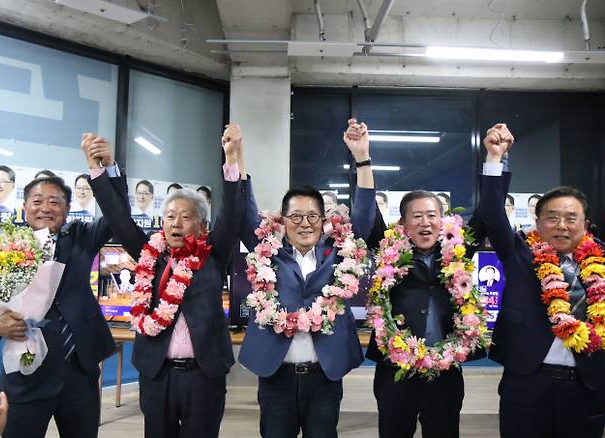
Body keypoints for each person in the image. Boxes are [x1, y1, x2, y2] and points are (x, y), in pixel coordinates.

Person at [85, 124, 245, 438]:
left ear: (201, 225)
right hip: (157, 373)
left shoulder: (214, 254)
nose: (175, 223)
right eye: (170, 216)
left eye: (185, 217)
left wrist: (232, 158)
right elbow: (118, 218)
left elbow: (233, 213)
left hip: (204, 374)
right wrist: (97, 171)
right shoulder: (150, 254)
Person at [238, 118, 376, 438]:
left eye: (312, 216)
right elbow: (245, 210)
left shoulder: (338, 251)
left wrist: (362, 157)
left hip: (324, 375)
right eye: (296, 216)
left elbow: (366, 214)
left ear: (323, 220)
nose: (304, 223)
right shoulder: (268, 251)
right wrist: (237, 159)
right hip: (276, 376)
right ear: (282, 220)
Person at [478, 123, 605, 438]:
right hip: (527, 382)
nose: (561, 225)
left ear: (585, 225)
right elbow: (492, 213)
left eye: (571, 218)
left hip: (587, 385)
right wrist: (495, 159)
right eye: (552, 217)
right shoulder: (521, 253)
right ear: (538, 222)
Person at [0, 171, 116, 437]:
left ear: (67, 209)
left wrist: (106, 172)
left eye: (55, 201)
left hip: (79, 374)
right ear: (24, 207)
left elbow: (117, 214)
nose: (45, 208)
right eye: (37, 201)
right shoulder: (3, 249)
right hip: (26, 375)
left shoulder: (82, 237)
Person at [366, 186, 484, 438]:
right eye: (416, 216)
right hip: (395, 373)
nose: (425, 222)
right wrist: (361, 160)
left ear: (442, 221)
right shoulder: (390, 253)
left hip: (445, 372)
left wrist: (496, 161)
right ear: (404, 223)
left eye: (431, 215)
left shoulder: (456, 252)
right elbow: (369, 213)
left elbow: (487, 213)